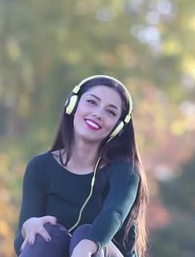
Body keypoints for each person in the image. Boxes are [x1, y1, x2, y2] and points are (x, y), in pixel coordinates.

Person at [14, 75, 149, 257]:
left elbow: (114, 214)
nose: (98, 114)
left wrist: (86, 247)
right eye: (92, 102)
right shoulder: (40, 167)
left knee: (86, 234)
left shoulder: (126, 172)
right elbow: (21, 244)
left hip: (106, 253)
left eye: (110, 112)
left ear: (118, 127)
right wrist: (27, 228)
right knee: (45, 233)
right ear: (73, 105)